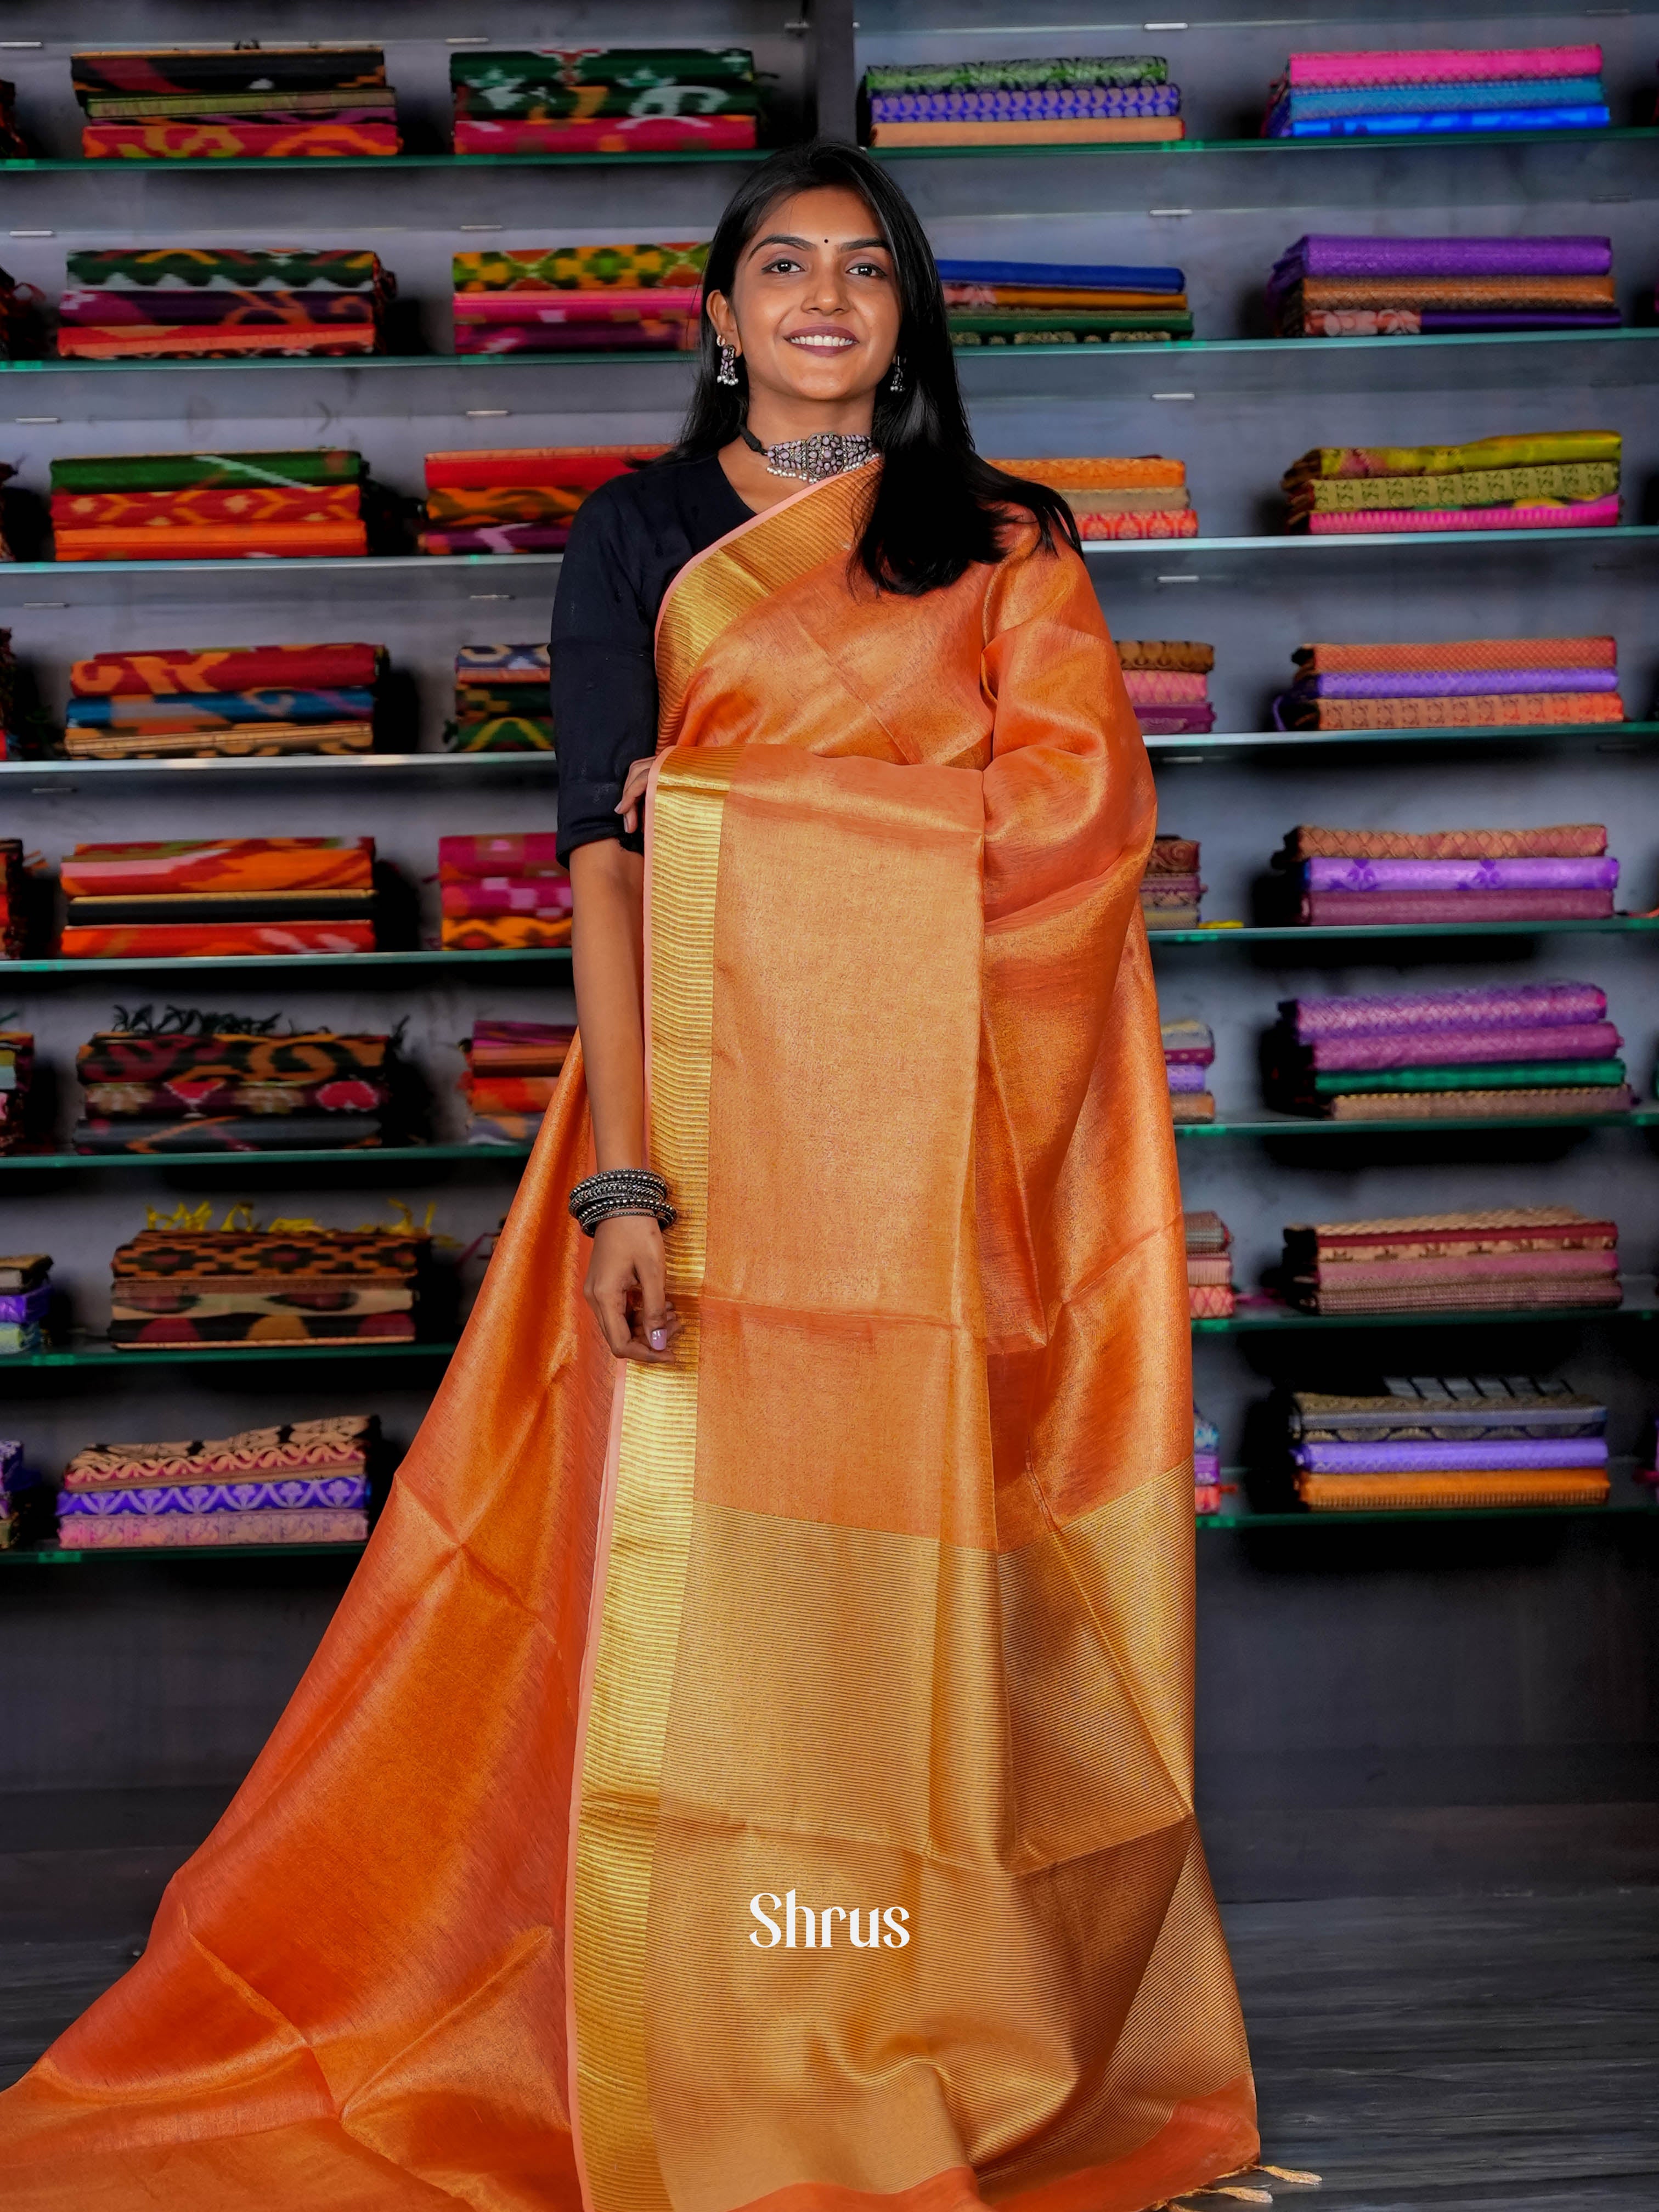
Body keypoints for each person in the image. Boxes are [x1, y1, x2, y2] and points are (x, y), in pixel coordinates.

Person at [0, 141, 1262, 2212]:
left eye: (869, 269)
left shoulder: (1011, 542)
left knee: (923, 1590)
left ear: (909, 315)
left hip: (937, 1165)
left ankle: (919, 1999)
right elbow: (609, 862)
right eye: (786, 266)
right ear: (717, 314)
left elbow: (1073, 829)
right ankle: (715, 2005)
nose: (829, 299)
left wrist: (755, 812)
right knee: (698, 1602)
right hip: (707, 1136)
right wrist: (628, 1190)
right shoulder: (639, 537)